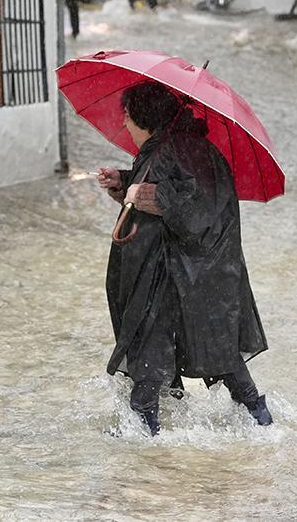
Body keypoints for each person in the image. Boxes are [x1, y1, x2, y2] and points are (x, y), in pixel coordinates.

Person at [96, 81, 272, 435]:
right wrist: (125, 181)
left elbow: (196, 205)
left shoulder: (175, 148)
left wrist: (151, 196)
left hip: (184, 275)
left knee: (158, 354)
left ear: (143, 117)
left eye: (128, 117)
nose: (126, 125)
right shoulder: (173, 146)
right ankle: (260, 423)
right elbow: (174, 185)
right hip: (187, 275)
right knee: (210, 353)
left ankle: (145, 447)